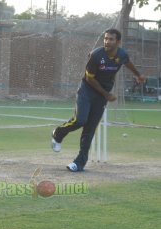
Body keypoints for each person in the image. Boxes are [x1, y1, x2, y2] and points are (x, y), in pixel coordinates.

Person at [52, 28, 145, 172]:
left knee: (90, 129)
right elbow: (89, 78)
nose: (107, 41)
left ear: (118, 42)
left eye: (111, 39)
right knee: (80, 120)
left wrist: (138, 75)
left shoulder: (122, 55)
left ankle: (79, 163)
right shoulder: (96, 55)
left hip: (102, 95)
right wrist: (107, 95)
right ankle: (58, 133)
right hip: (87, 90)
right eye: (105, 39)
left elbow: (128, 63)